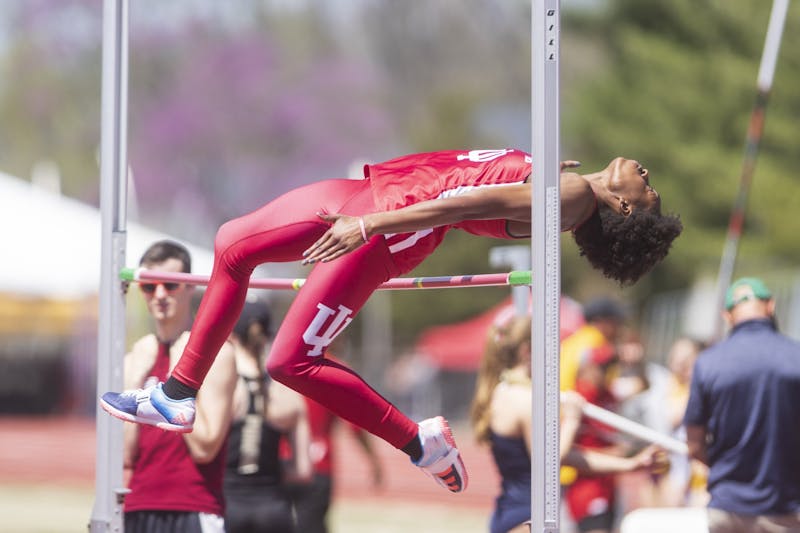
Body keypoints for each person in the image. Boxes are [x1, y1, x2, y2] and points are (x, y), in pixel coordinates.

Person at [101, 148, 682, 494]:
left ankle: (419, 441)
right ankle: (179, 393)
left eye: (647, 189)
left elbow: (464, 206)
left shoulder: (573, 195)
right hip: (377, 192)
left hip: (390, 219)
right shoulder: (565, 187)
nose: (644, 173)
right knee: (231, 244)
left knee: (287, 361)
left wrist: (372, 226)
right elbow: (475, 183)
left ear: (624, 207)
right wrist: (526, 169)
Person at [470, 315, 668, 533]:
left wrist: (630, 465)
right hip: (527, 517)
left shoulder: (503, 391)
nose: (557, 356)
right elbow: (551, 461)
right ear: (528, 351)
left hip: (515, 513)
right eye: (550, 348)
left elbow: (570, 456)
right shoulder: (524, 399)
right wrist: (573, 420)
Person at [109, 240, 237, 533]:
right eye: (150, 287)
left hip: (194, 507)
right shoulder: (136, 358)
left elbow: (206, 447)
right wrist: (133, 381)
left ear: (191, 286)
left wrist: (178, 379)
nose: (160, 295)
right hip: (139, 507)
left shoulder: (216, 354)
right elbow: (126, 453)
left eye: (170, 284)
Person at [684, 277, 800, 533]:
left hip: (727, 508)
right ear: (770, 306)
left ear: (727, 315)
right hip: (785, 509)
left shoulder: (707, 363)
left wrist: (729, 465)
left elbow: (694, 445)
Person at [224, 299, 313, 533]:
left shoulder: (223, 388)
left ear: (231, 335)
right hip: (273, 507)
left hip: (227, 504)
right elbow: (303, 471)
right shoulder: (288, 394)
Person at [559, 297, 628, 533]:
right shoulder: (594, 344)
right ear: (603, 322)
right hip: (577, 442)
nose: (618, 328)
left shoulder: (571, 342)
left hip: (566, 432)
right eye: (615, 322)